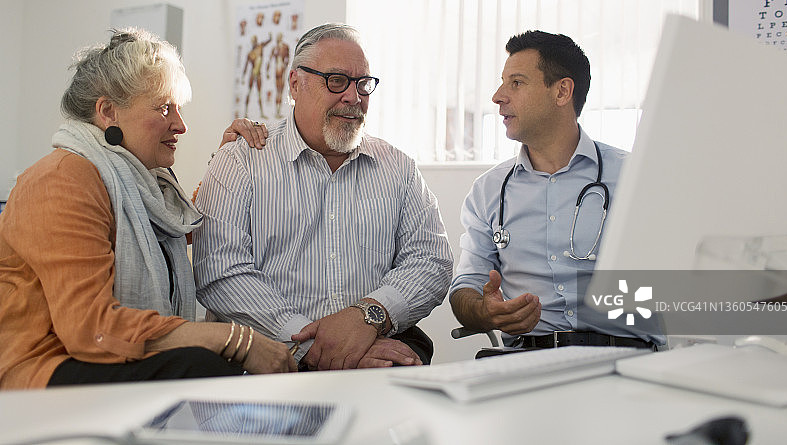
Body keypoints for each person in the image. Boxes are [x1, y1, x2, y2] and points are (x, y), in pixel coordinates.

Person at [0, 28, 296, 390]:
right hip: (41, 372)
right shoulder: (63, 179)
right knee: (201, 365)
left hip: (88, 359)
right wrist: (236, 339)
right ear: (108, 111)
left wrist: (226, 160)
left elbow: (183, 225)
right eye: (163, 108)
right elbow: (92, 328)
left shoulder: (140, 183)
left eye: (179, 109)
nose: (181, 125)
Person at [193, 23, 454, 370]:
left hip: (375, 352)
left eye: (363, 84)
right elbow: (220, 270)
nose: (353, 97)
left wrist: (370, 315)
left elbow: (430, 260)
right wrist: (312, 344)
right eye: (336, 81)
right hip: (267, 364)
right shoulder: (242, 159)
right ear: (295, 84)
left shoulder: (398, 168)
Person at [449, 30, 660, 352]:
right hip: (527, 359)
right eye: (503, 82)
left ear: (562, 91)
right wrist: (484, 311)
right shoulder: (489, 190)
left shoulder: (638, 178)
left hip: (625, 356)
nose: (498, 96)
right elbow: (467, 284)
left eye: (516, 83)